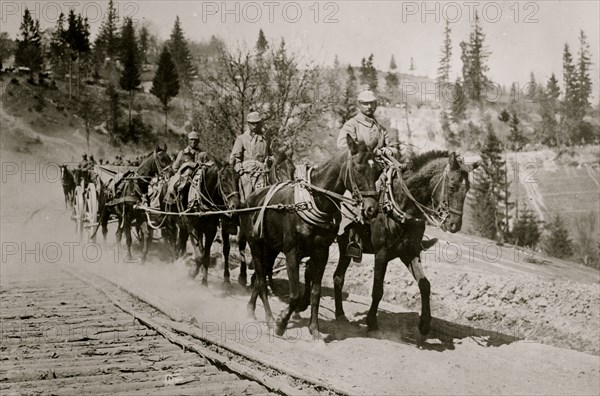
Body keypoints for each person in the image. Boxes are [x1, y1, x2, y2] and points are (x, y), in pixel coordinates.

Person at [336, 89, 435, 261]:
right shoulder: (352, 125)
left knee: (403, 190)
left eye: (372, 103)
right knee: (354, 201)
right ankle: (354, 240)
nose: (369, 106)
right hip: (360, 170)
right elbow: (341, 145)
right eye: (365, 103)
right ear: (359, 105)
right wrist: (363, 152)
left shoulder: (380, 129)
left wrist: (384, 150)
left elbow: (393, 148)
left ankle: (411, 238)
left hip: (380, 169)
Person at [229, 112, 272, 202]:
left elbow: (270, 155)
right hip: (246, 174)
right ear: (248, 124)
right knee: (247, 200)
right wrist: (239, 169)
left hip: (262, 173)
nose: (255, 125)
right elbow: (234, 157)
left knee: (264, 198)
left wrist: (269, 161)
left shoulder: (266, 139)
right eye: (253, 123)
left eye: (257, 123)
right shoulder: (241, 138)